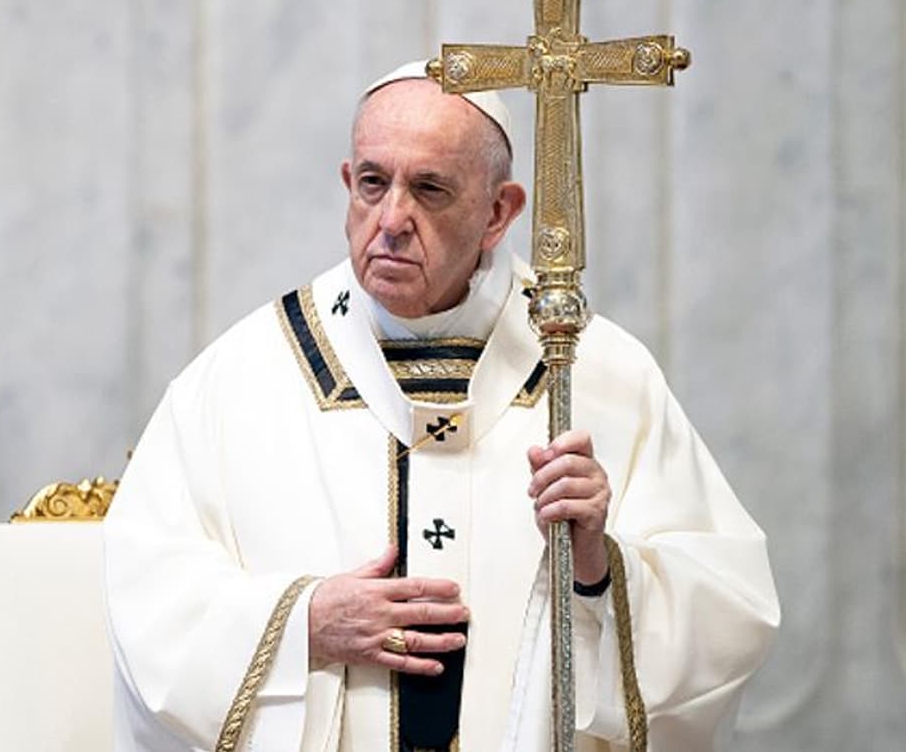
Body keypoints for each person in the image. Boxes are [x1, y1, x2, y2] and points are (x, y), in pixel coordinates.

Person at [103, 60, 779, 751]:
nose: (392, 219)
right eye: (373, 183)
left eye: (430, 189)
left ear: (499, 212)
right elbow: (148, 599)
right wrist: (303, 622)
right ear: (347, 184)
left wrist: (597, 566)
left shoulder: (599, 375)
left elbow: (729, 610)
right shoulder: (242, 377)